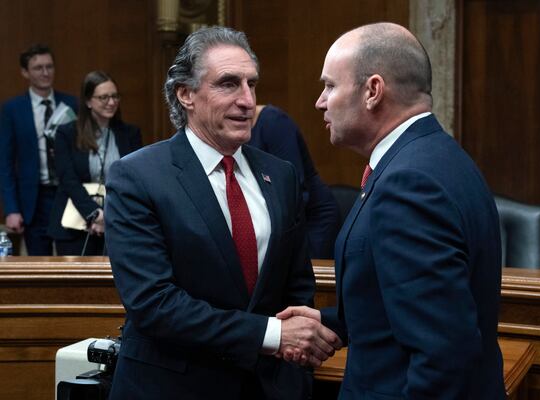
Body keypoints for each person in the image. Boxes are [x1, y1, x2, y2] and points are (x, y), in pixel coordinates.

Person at [104, 26, 341, 400]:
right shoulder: (137, 176)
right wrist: (272, 335)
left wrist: (297, 347)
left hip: (269, 388)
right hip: (175, 387)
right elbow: (154, 304)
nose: (247, 100)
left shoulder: (280, 175)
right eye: (229, 84)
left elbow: (297, 287)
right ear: (185, 94)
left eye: (252, 84)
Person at [278, 22, 505, 399]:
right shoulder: (437, 157)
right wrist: (331, 321)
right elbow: (404, 306)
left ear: (373, 91)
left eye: (330, 85)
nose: (320, 101)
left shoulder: (408, 184)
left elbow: (443, 356)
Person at [47, 71, 142, 255]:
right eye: (103, 97)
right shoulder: (67, 134)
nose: (111, 102)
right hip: (74, 225)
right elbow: (68, 180)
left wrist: (109, 216)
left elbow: (133, 180)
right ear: (89, 101)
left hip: (117, 222)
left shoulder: (130, 134)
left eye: (115, 96)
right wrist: (95, 214)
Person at [0, 44, 77, 255]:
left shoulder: (71, 104)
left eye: (49, 66)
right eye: (38, 68)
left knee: (71, 261)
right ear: (25, 72)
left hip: (67, 193)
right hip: (34, 198)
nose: (45, 73)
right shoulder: (12, 109)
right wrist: (12, 209)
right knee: (38, 262)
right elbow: (5, 163)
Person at [250, 104, 340, 258]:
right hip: (276, 223)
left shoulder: (273, 121)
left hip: (312, 221)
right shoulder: (228, 130)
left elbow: (296, 191)